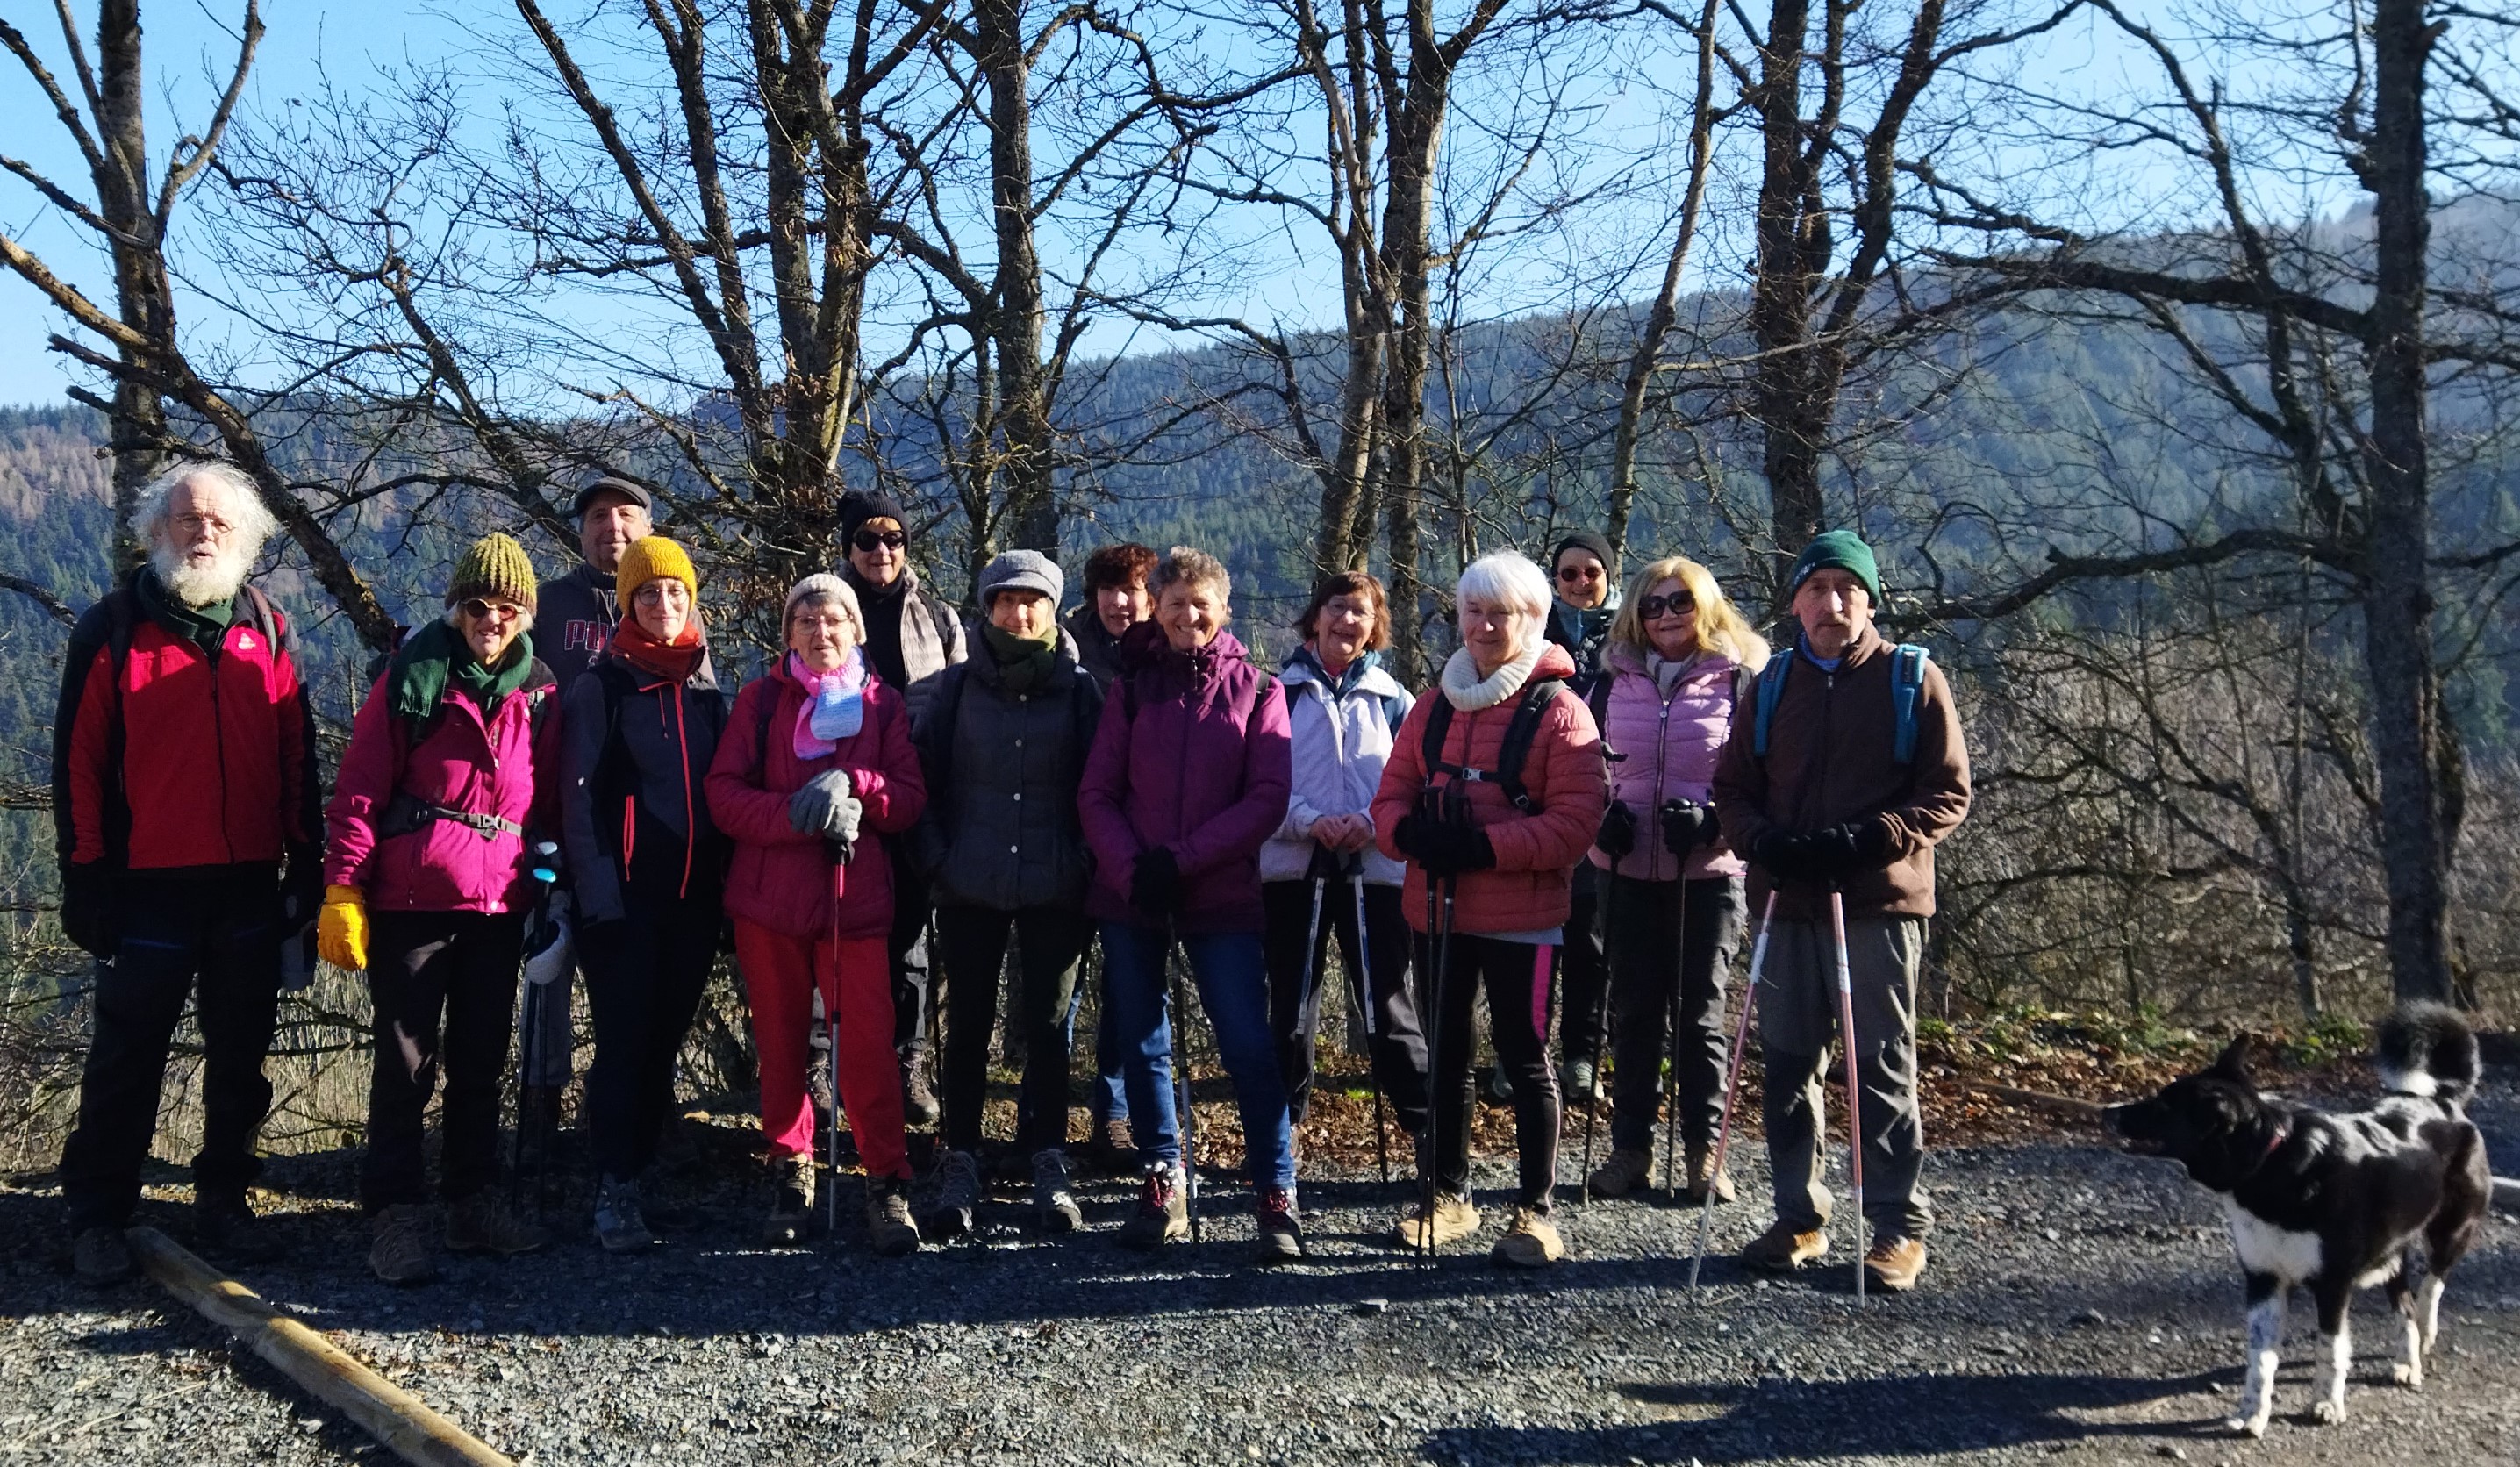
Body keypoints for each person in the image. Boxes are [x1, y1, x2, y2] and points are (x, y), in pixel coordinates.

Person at [52, 462, 322, 1284]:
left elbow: (293, 755)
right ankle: (99, 1215)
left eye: (217, 522)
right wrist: (86, 875)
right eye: (184, 520)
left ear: (245, 537)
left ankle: (226, 1199)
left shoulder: (267, 628)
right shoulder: (112, 629)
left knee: (242, 1055)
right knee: (127, 1057)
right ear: (155, 532)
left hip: (244, 883)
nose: (201, 533)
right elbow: (80, 764)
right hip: (146, 890)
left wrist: (306, 862)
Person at [1711, 530, 1970, 1294]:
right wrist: (1763, 843)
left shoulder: (1911, 680)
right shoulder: (1773, 685)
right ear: (1795, 602)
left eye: (1846, 589)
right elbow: (1733, 788)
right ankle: (1799, 1216)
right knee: (1789, 1067)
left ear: (1870, 599)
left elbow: (1948, 792)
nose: (1831, 603)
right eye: (1817, 589)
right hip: (1788, 903)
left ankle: (1897, 1228)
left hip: (1877, 904)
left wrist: (1872, 839)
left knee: (1880, 1065)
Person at [320, 533, 560, 1284]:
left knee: (483, 1062)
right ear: (457, 609)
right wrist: (342, 890)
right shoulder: (410, 681)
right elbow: (358, 794)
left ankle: (470, 1201)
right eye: (479, 606)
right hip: (413, 902)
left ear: (525, 615)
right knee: (405, 1062)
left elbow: (544, 795)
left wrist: (549, 876)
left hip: (498, 904)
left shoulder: (540, 691)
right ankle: (394, 1213)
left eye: (508, 607)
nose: (493, 619)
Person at [1371, 550, 1606, 1268]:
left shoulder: (1560, 710)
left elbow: (1576, 822)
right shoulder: (1434, 705)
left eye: (1499, 613)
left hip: (1523, 916)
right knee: (1446, 1053)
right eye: (1473, 611)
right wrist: (1406, 833)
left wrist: (1482, 847)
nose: (1483, 625)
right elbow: (1390, 795)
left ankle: (1535, 1210)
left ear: (1533, 618)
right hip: (1436, 909)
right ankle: (1448, 1196)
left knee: (1526, 1058)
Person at [1077, 547, 1299, 1262]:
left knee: (1246, 1044)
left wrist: (1186, 859)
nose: (1188, 614)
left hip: (1219, 893)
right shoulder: (1132, 688)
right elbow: (1097, 793)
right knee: (1142, 1043)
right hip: (1132, 892)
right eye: (1174, 602)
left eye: (1201, 602)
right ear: (1156, 607)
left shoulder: (1260, 691)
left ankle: (1275, 1189)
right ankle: (1162, 1176)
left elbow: (1267, 797)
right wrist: (1132, 866)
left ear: (1224, 609)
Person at [706, 573, 927, 1257]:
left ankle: (886, 1177)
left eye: (833, 620)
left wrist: (857, 787)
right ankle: (789, 1166)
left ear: (857, 630)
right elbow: (723, 795)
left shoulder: (883, 705)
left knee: (867, 1048)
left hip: (852, 904)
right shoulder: (759, 702)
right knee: (779, 1044)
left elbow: (910, 796)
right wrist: (796, 814)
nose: (821, 632)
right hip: (768, 902)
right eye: (805, 622)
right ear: (788, 635)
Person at [913, 551, 1104, 1236]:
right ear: (986, 608)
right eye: (1005, 601)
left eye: (1034, 603)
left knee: (1049, 1030)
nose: (1019, 614)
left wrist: (1083, 860)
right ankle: (962, 1157)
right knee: (966, 1028)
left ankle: (1047, 1158)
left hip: (1056, 884)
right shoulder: (955, 689)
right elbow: (923, 778)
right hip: (970, 882)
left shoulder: (1080, 691)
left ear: (1053, 612)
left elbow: (1099, 786)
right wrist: (939, 858)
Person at [558, 536, 732, 1252]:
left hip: (694, 905)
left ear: (693, 602)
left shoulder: (708, 692)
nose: (664, 605)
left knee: (661, 1045)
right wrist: (599, 899)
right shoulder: (603, 687)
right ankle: (613, 1191)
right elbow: (579, 803)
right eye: (648, 594)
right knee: (625, 1048)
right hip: (624, 905)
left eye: (676, 593)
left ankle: (639, 1186)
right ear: (625, 604)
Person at [1582, 557, 1766, 1204]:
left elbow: (1764, 779)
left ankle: (1704, 1155)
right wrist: (1597, 822)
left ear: (1707, 607)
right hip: (1624, 870)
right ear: (1636, 610)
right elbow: (1581, 772)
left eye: (1680, 603)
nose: (1666, 616)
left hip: (1708, 872)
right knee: (1632, 1014)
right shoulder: (1607, 683)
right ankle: (1629, 1151)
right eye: (1654, 604)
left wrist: (1717, 824)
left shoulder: (1743, 683)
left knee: (1700, 1017)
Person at [1259, 571, 1430, 1149]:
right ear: (1316, 615)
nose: (1347, 621)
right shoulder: (1274, 695)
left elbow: (1416, 786)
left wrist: (1370, 822)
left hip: (1377, 873)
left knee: (1388, 1004)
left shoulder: (1396, 700)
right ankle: (1278, 1141)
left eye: (1360, 611)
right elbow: (1256, 788)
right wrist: (1308, 820)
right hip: (1291, 871)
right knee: (1290, 1009)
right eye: (1337, 608)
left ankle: (1428, 1133)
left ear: (1374, 625)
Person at [834, 490, 966, 1129]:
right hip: (845, 800)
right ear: (848, 548)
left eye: (893, 538)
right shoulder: (823, 612)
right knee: (839, 940)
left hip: (916, 796)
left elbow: (965, 709)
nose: (881, 550)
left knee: (910, 943)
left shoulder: (938, 618)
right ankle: (836, 1069)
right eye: (867, 540)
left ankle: (907, 1063)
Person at [1063, 541, 1158, 1167]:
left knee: (1129, 989)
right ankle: (1043, 1122)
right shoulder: (1063, 650)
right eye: (1108, 588)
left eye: (1132, 589)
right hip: (1068, 838)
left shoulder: (1165, 653)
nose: (1120, 601)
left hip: (1138, 843)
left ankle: (1115, 1115)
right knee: (1061, 991)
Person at [1537, 530, 1619, 1105]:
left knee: (1590, 941)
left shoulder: (1635, 636)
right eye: (1568, 573)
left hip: (1612, 807)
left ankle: (1582, 1054)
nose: (1580, 582)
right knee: (1538, 935)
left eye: (1591, 571)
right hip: (1542, 802)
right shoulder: (1535, 634)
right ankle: (1529, 1048)